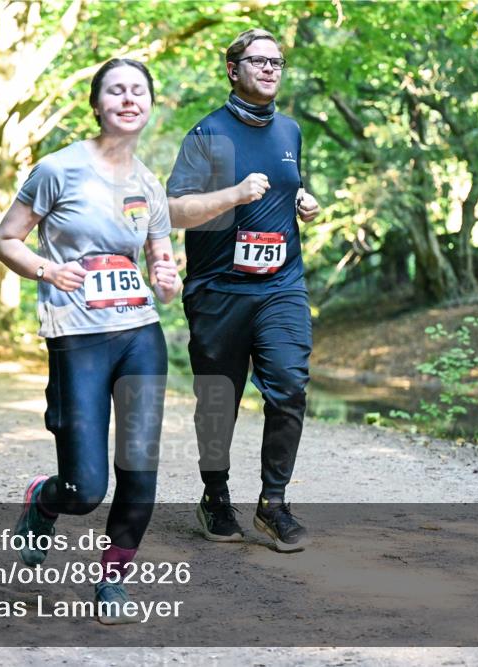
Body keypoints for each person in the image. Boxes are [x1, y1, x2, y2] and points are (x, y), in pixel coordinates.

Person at [0, 59, 182, 623]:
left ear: (150, 105)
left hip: (140, 334)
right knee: (85, 489)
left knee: (140, 470)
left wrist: (167, 278)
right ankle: (44, 499)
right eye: (116, 90)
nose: (129, 99)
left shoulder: (149, 184)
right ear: (97, 104)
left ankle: (113, 579)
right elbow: (6, 240)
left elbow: (162, 265)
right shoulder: (59, 169)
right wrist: (48, 270)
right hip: (77, 336)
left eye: (139, 91)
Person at [165, 29, 321, 553]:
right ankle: (215, 495)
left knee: (290, 385)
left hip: (281, 285)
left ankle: (273, 504)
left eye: (277, 61)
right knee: (218, 398)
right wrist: (232, 194)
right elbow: (174, 210)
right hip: (218, 289)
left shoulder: (291, 131)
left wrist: (303, 202)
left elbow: (287, 186)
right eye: (259, 60)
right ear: (233, 70)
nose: (271, 68)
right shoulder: (208, 133)